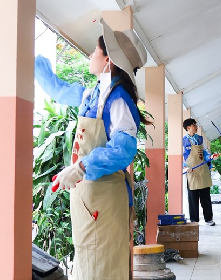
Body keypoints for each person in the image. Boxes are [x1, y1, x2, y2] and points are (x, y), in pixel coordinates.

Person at [34, 19, 151, 279]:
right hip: (90, 199)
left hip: (105, 200)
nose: (90, 54)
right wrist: (32, 61)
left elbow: (123, 149)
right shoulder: (94, 95)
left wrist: (81, 166)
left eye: (94, 51)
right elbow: (60, 90)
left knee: (103, 267)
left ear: (107, 60)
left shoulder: (118, 100)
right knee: (89, 264)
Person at [183, 118, 218, 226]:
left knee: (206, 197)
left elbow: (205, 154)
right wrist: (185, 168)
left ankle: (208, 219)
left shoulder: (200, 139)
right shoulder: (183, 141)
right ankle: (194, 220)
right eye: (194, 125)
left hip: (203, 171)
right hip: (191, 172)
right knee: (193, 198)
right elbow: (181, 158)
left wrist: (211, 156)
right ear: (188, 127)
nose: (196, 126)